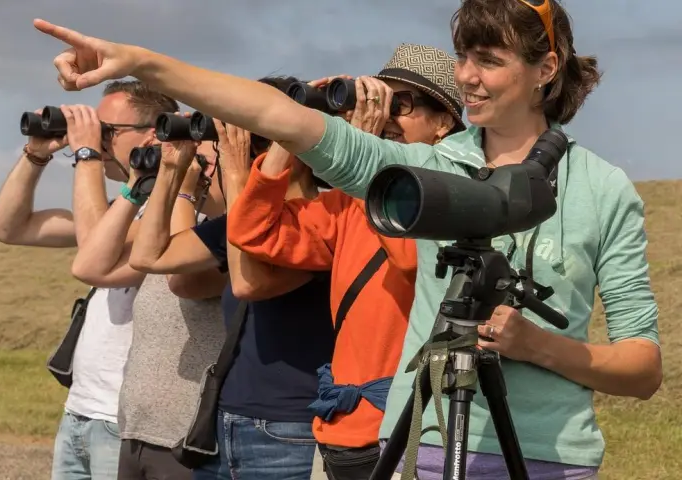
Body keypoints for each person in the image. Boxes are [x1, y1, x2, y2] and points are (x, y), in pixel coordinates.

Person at [33, 0, 663, 478]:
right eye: (463, 58)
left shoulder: (602, 189)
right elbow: (279, 115)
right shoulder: (425, 169)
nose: (468, 77)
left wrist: (538, 347)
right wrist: (143, 63)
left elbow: (643, 368)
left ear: (545, 69)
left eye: (489, 61)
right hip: (423, 445)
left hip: (551, 456)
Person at [225, 45, 465, 480]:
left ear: (443, 123)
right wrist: (289, 130)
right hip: (339, 425)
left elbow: (410, 261)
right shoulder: (344, 205)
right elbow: (253, 231)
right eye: (378, 101)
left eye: (401, 104)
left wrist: (364, 158)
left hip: (404, 431)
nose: (386, 116)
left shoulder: (455, 197)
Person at [0, 81, 219, 480]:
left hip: (123, 419)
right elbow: (8, 227)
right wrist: (36, 155)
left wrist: (86, 156)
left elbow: (94, 251)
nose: (97, 138)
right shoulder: (127, 208)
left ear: (154, 133)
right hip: (81, 410)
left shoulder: (182, 217)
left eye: (107, 130)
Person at [126, 76, 336, 480]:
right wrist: (172, 169)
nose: (243, 152)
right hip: (226, 422)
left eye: (255, 140)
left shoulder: (325, 219)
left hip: (292, 428)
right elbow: (149, 256)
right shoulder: (239, 221)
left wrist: (239, 175)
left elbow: (247, 282)